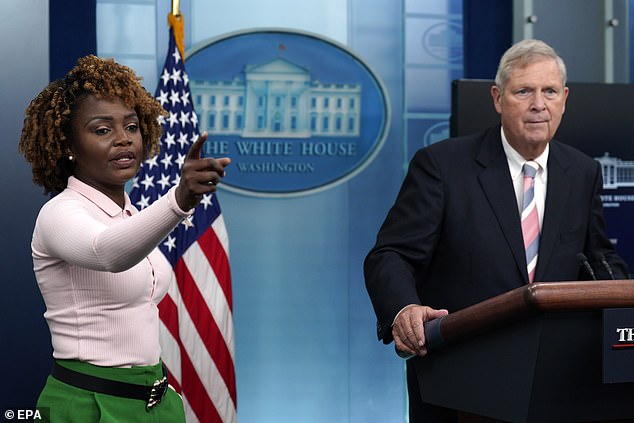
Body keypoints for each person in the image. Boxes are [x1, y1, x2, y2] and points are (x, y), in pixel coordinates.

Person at [364, 39, 629, 422]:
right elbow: (391, 255)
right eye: (524, 91)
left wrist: (622, 302)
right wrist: (404, 309)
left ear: (565, 99)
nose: (539, 104)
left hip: (557, 382)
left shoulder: (582, 171)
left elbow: (599, 256)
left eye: (550, 91)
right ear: (497, 97)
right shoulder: (442, 166)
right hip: (461, 378)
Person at [19, 55, 230, 422]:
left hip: (156, 400)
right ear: (68, 144)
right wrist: (179, 200)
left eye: (131, 127)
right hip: (90, 404)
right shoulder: (58, 214)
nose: (123, 139)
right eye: (102, 130)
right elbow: (108, 253)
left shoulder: (131, 213)